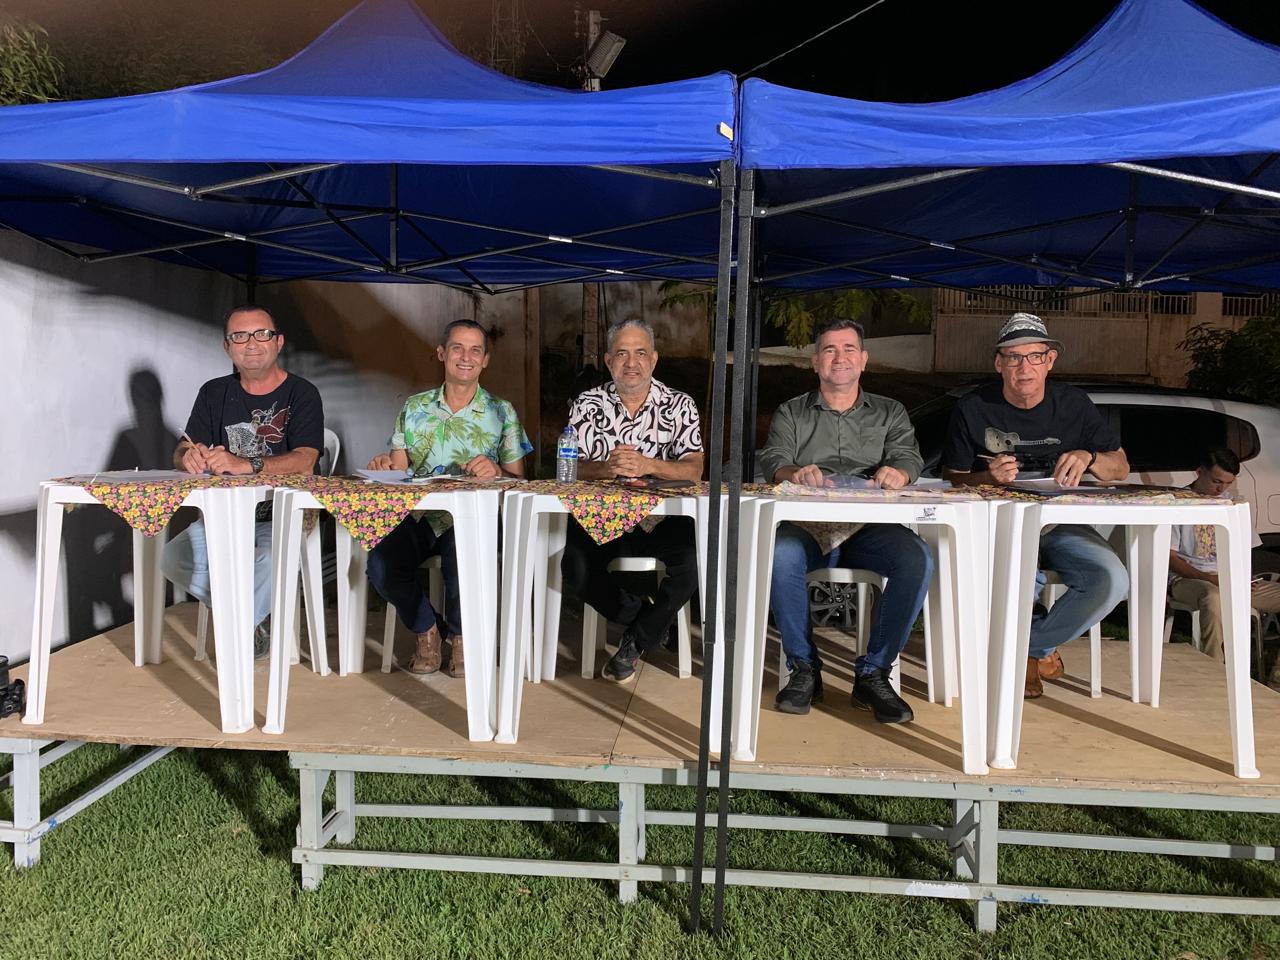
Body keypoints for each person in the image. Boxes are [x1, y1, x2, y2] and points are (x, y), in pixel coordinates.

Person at [942, 311, 1130, 698]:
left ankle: (1027, 647)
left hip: (1062, 524)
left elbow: (1121, 468)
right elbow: (954, 477)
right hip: (1000, 524)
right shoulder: (974, 406)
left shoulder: (1074, 404)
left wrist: (1090, 457)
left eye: (1034, 356)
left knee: (1112, 579)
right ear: (999, 364)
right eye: (1013, 357)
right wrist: (986, 477)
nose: (1024, 367)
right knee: (1021, 573)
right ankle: (1029, 655)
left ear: (1050, 360)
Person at [760, 317, 931, 723]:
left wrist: (900, 472)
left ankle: (874, 673)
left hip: (870, 529)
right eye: (830, 350)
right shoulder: (791, 412)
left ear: (864, 359)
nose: (840, 357)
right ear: (815, 361)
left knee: (916, 558)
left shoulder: (890, 411)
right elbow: (774, 460)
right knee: (780, 554)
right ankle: (804, 669)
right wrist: (795, 473)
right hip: (808, 528)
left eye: (849, 348)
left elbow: (908, 456)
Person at [365, 319, 531, 679]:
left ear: (485, 360)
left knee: (463, 557)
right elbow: (398, 471)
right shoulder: (415, 407)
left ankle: (461, 638)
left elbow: (519, 480)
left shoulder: (501, 412)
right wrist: (384, 466)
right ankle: (428, 629)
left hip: (475, 516)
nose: (465, 357)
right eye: (457, 348)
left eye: (475, 350)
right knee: (380, 563)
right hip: (420, 516)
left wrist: (496, 471)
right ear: (442, 353)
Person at [162, 305, 324, 658]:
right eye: (239, 336)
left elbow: (305, 460)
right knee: (173, 558)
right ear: (227, 346)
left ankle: (237, 641)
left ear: (278, 342)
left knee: (266, 559)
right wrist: (188, 456)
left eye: (261, 334)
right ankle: (253, 619)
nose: (251, 343)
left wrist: (246, 464)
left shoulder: (302, 393)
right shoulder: (213, 392)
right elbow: (183, 448)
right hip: (225, 515)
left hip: (283, 515)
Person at [562, 318, 704, 683]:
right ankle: (650, 622)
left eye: (640, 353)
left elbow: (694, 469)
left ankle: (636, 641)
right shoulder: (587, 403)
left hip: (663, 520)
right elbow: (569, 467)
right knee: (574, 567)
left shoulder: (679, 404)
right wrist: (605, 468)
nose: (631, 363)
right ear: (608, 360)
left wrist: (649, 464)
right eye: (622, 353)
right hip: (602, 519)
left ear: (653, 359)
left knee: (694, 561)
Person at [1169, 448, 1278, 665]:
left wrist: (1245, 578)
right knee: (1213, 598)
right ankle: (1215, 669)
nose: (1221, 489)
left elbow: (1245, 550)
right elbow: (1170, 558)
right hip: (1190, 580)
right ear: (1200, 472)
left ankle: (1275, 671)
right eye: (1216, 481)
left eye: (1228, 483)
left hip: (1229, 581)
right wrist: (1209, 578)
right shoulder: (1178, 503)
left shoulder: (1232, 504)